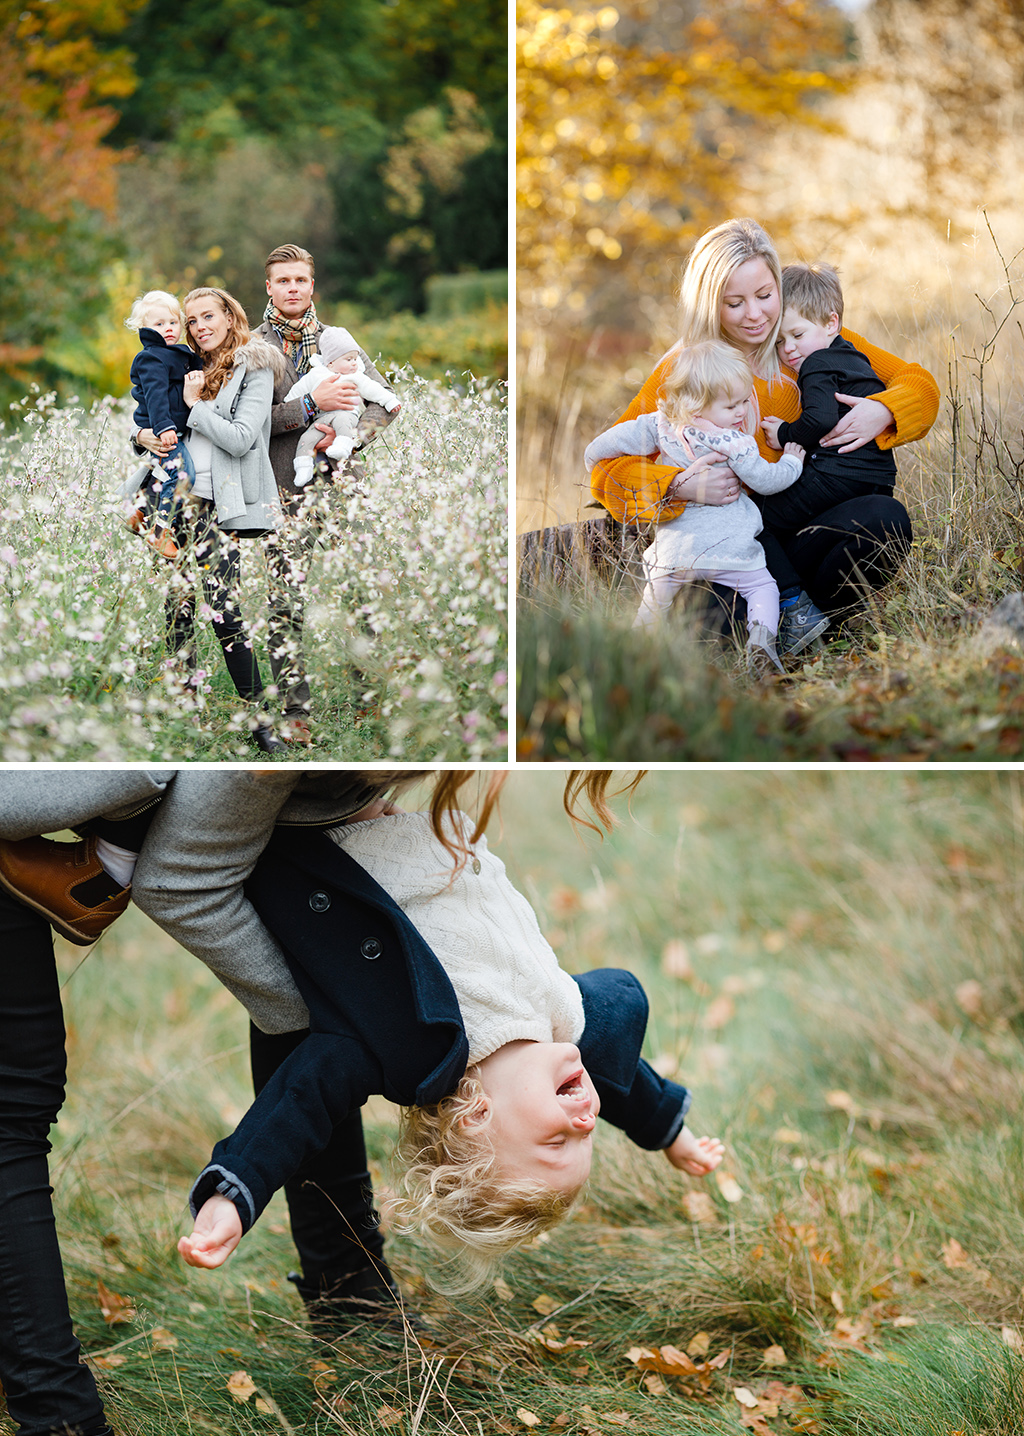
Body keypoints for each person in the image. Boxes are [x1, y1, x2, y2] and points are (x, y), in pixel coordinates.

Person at [175, 799, 725, 1292]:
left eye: (557, 1143)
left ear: (476, 1118)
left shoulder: (411, 1051)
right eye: (588, 1141)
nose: (585, 1123)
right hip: (415, 822)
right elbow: (619, 1071)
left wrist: (233, 1197)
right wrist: (671, 1133)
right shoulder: (563, 1028)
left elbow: (300, 1102)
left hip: (326, 836)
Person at [588, 218, 940, 655]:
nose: (755, 315)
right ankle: (779, 637)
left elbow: (918, 382)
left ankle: (812, 629)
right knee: (708, 613)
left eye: (764, 295)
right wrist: (679, 486)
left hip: (798, 533)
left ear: (778, 287)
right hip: (731, 551)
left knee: (884, 520)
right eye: (734, 303)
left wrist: (884, 410)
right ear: (707, 303)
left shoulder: (802, 339)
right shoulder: (687, 369)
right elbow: (606, 471)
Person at [584, 340, 805, 674]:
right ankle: (762, 644)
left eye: (745, 401)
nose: (742, 412)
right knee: (764, 588)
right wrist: (792, 462)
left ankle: (631, 654)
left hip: (674, 555)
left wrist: (590, 458)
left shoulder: (658, 425)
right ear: (698, 407)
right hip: (731, 551)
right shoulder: (734, 442)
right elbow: (766, 480)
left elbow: (604, 447)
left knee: (653, 605)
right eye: (732, 406)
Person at [257, 243, 400, 746]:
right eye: (283, 281)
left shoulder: (338, 339)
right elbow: (249, 423)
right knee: (285, 597)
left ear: (311, 286)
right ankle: (295, 710)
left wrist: (345, 440)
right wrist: (308, 410)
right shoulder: (252, 347)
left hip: (343, 483)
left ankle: (371, 702)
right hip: (282, 485)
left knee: (360, 588)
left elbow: (384, 404)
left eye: (300, 280)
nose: (292, 289)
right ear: (269, 287)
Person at [138, 286, 287, 753]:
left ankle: (261, 721)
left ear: (229, 316)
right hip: (174, 497)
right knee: (177, 607)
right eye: (192, 319)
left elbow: (242, 438)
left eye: (208, 316)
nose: (200, 326)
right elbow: (147, 410)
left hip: (217, 503)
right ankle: (184, 714)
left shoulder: (255, 365)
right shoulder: (181, 361)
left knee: (224, 609)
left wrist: (197, 404)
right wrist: (143, 433)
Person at [758, 263, 900, 545]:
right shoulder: (855, 356)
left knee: (759, 519)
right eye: (779, 341)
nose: (788, 349)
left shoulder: (816, 362)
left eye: (797, 335)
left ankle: (788, 589)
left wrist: (784, 434)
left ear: (831, 323)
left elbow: (819, 419)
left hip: (836, 475)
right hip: (879, 481)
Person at [123, 290, 202, 560]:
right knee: (182, 475)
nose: (168, 329)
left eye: (173, 322)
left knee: (163, 470)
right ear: (144, 328)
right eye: (159, 324)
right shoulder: (152, 357)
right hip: (163, 429)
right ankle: (160, 531)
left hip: (171, 428)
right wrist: (164, 427)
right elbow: (156, 396)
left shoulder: (178, 353)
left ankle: (139, 512)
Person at [282, 325, 401, 486]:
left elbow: (376, 391)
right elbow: (294, 395)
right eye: (349, 360)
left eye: (355, 359)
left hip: (345, 425)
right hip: (318, 423)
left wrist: (389, 402)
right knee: (307, 438)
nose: (354, 363)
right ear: (330, 362)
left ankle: (342, 444)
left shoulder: (355, 373)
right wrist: (308, 402)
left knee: (342, 421)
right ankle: (303, 466)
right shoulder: (317, 374)